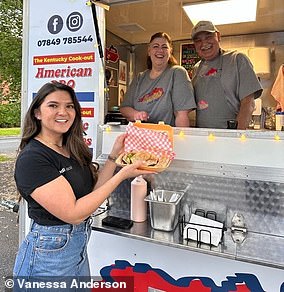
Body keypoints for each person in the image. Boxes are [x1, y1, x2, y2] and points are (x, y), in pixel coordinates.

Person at [13, 81, 154, 286]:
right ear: (37, 113)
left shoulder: (71, 148)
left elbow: (93, 193)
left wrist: (114, 155)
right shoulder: (33, 158)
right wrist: (122, 175)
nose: (63, 111)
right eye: (53, 105)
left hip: (76, 251)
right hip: (48, 256)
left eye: (69, 106)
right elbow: (74, 213)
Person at [191, 20, 263, 129]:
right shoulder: (196, 69)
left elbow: (248, 103)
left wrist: (236, 136)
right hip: (203, 136)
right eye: (198, 40)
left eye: (208, 37)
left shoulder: (237, 59)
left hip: (229, 135)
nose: (204, 43)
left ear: (218, 36)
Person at [120, 32, 196, 127]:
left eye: (164, 47)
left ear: (170, 51)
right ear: (149, 51)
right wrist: (136, 114)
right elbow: (124, 108)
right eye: (155, 46)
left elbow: (181, 115)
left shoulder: (177, 73)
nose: (160, 50)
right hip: (140, 137)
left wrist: (182, 140)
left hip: (166, 138)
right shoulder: (139, 78)